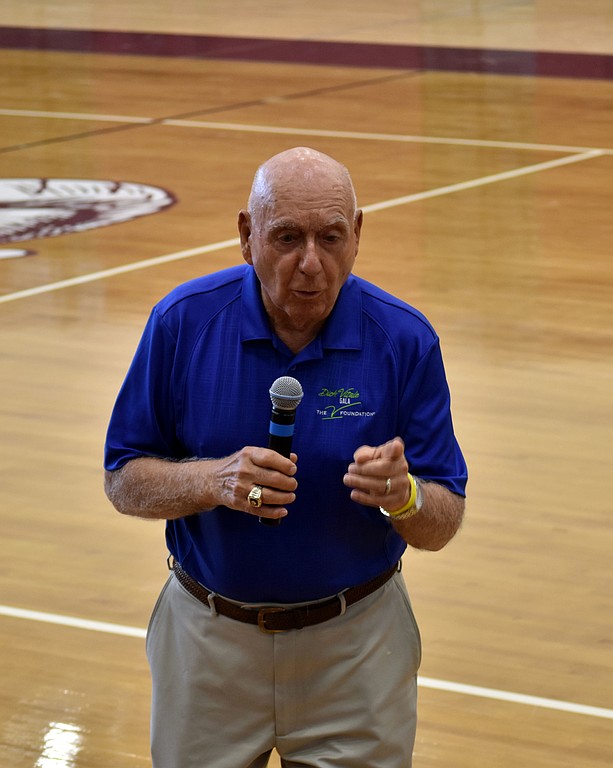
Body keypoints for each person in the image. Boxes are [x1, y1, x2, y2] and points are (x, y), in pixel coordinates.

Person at [103, 146, 467, 768]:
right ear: (246, 235)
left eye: (330, 238)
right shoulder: (182, 323)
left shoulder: (405, 341)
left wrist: (403, 496)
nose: (311, 265)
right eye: (287, 237)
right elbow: (123, 480)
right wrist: (210, 480)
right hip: (208, 646)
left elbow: (443, 521)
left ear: (357, 235)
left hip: (357, 652)